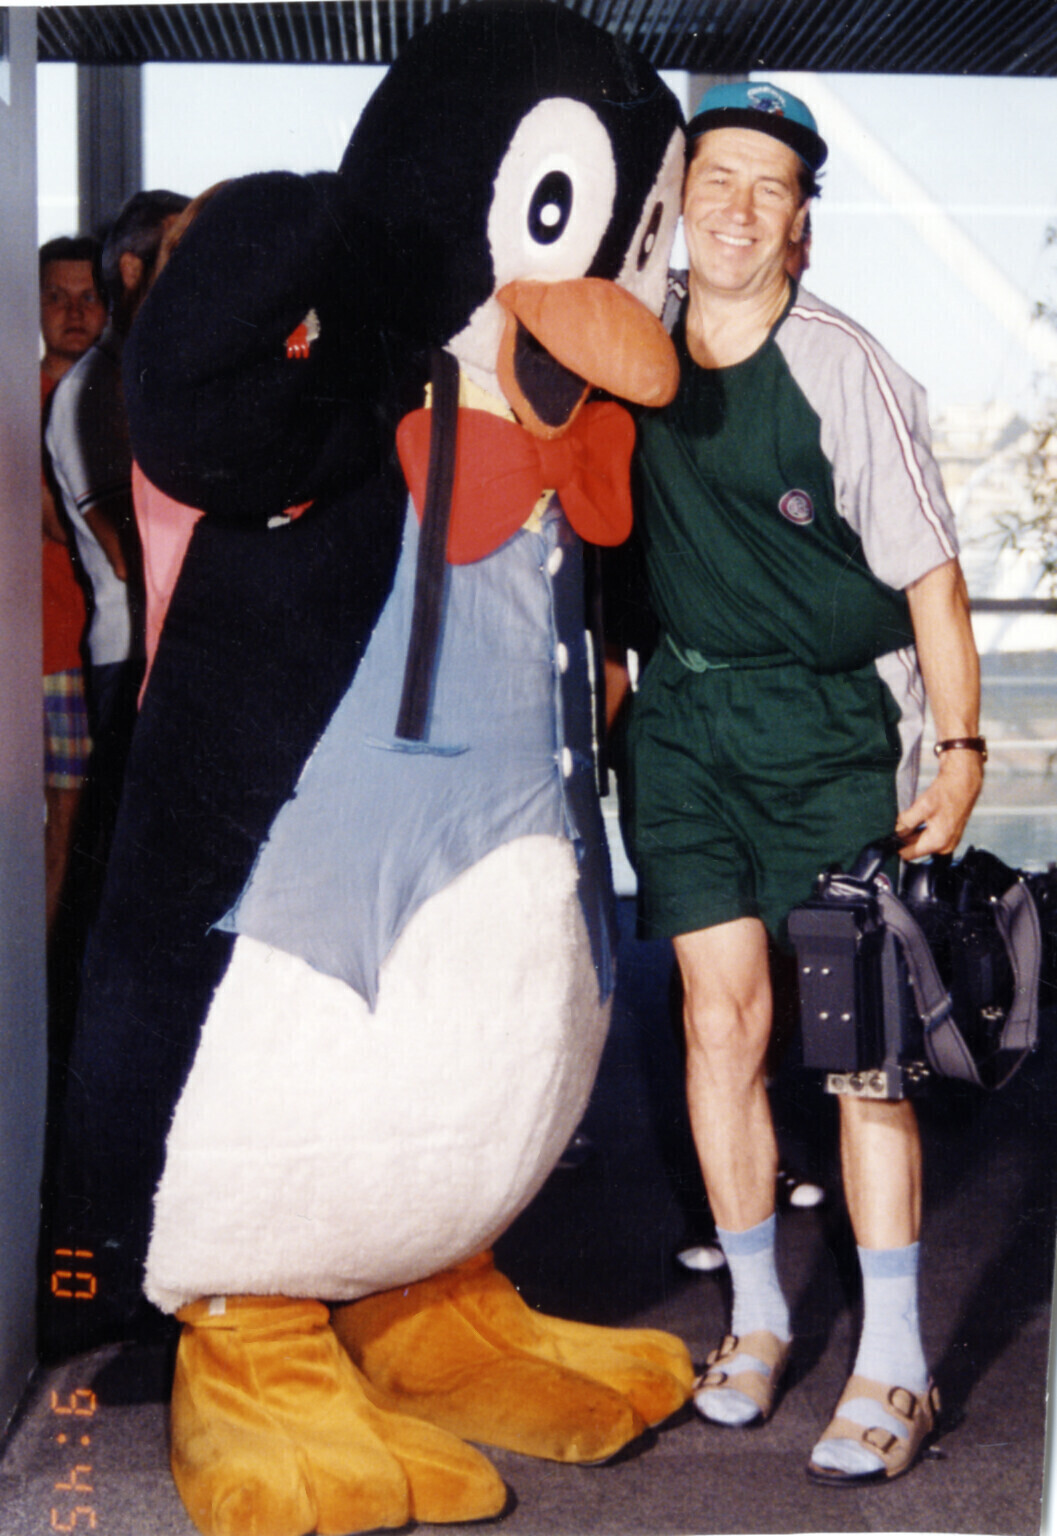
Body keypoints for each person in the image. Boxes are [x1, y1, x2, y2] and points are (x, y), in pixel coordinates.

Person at [623, 81, 983, 1483]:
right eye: (716, 176)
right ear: (678, 201)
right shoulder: (627, 337)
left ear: (800, 228)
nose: (737, 206)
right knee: (720, 1021)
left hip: (830, 728)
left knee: (860, 1044)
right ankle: (759, 1318)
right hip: (682, 723)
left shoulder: (843, 365)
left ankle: (895, 1360)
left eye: (769, 187)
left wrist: (960, 751)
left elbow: (933, 583)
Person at [46, 190, 188, 876]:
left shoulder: (151, 372)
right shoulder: (95, 388)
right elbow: (127, 553)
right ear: (133, 270)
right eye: (179, 255)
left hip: (168, 651)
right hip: (132, 658)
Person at [39, 236, 106, 937]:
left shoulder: (109, 396)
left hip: (72, 653)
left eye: (89, 296)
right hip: (22, 652)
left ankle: (47, 981)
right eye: (56, 297)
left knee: (68, 827)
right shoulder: (14, 395)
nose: (74, 311)